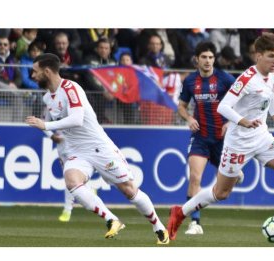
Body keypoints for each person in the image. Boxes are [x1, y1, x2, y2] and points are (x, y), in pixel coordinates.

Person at [167, 32, 274, 241]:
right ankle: (180, 212)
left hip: (261, 137)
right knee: (221, 193)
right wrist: (243, 121)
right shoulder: (245, 79)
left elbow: (270, 98)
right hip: (238, 143)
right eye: (270, 56)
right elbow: (223, 107)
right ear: (258, 56)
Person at [25, 53, 169, 244]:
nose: (32, 75)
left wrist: (46, 126)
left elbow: (76, 119)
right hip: (77, 152)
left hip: (99, 148)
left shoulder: (70, 88)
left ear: (47, 71)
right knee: (72, 182)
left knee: (129, 190)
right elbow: (59, 124)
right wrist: (51, 131)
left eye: (35, 71)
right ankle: (112, 220)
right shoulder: (47, 99)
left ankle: (159, 227)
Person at [178, 41, 243, 235]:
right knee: (195, 177)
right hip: (200, 137)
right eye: (204, 57)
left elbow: (241, 101)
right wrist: (189, 117)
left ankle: (235, 173)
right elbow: (181, 105)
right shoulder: (190, 81)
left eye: (211, 57)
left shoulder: (224, 79)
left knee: (227, 181)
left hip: (223, 139)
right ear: (196, 59)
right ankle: (195, 223)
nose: (208, 61)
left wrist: (230, 122)